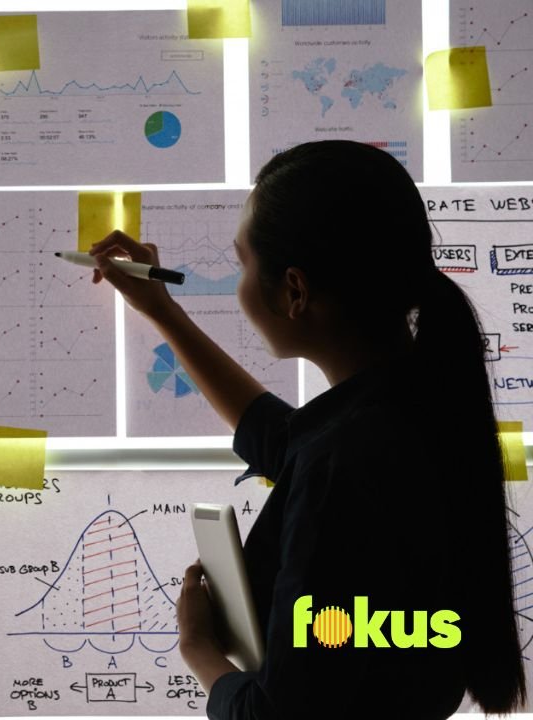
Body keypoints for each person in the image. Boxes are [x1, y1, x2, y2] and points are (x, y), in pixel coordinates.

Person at [89, 139, 527, 719]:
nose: (239, 281)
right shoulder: (409, 409)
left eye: (243, 263)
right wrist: (162, 310)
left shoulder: (346, 461)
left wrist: (200, 650)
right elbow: (284, 436)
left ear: (294, 291)